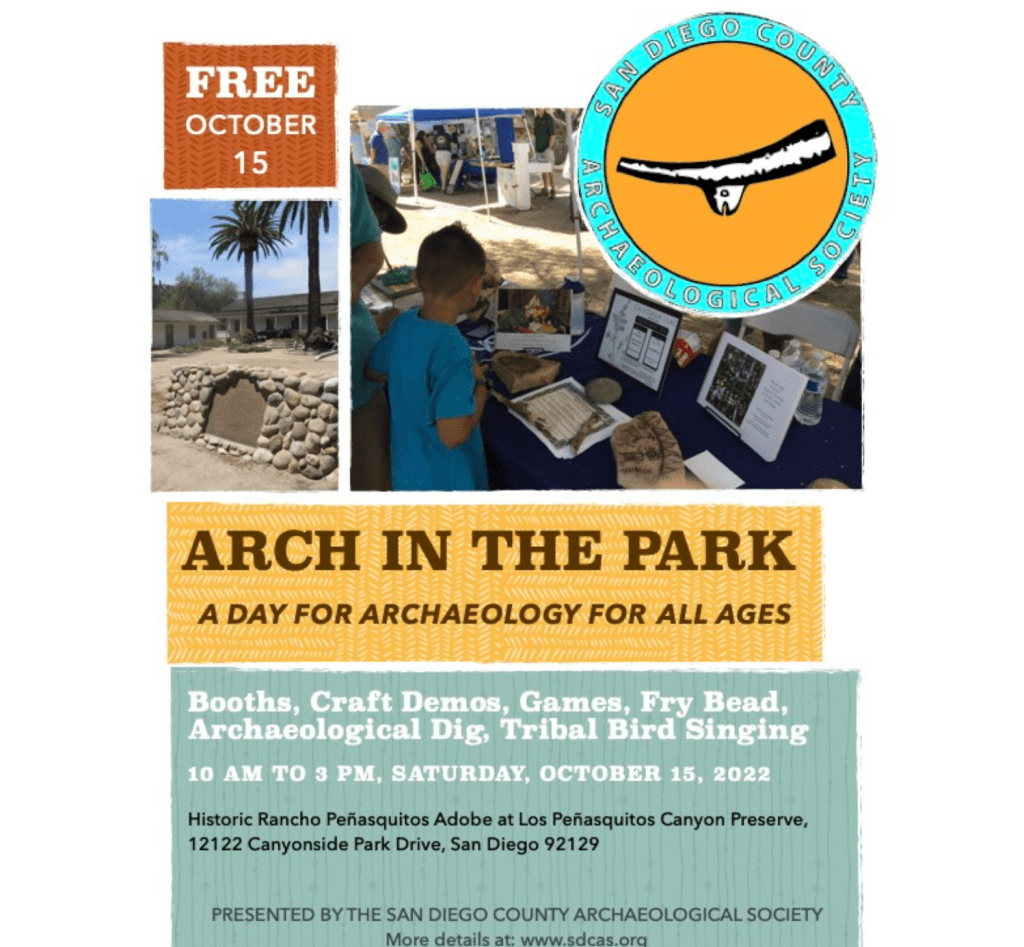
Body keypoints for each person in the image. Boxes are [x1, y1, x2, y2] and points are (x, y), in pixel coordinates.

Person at [366, 223, 489, 491]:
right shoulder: (454, 350)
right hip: (448, 485)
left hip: (407, 476)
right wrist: (480, 388)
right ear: (475, 285)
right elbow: (453, 435)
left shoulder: (402, 324)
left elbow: (373, 371)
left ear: (416, 279)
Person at [350, 159, 390, 490]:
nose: (381, 226)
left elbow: (370, 250)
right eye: (381, 218)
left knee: (370, 479)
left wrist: (353, 279)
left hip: (361, 391)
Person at [533, 108, 557, 199]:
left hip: (547, 149)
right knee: (543, 170)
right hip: (538, 149)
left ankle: (553, 190)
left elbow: (552, 134)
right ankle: (545, 189)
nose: (538, 109)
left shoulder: (548, 118)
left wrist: (549, 148)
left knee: (550, 169)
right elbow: (535, 134)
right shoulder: (536, 119)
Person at [433, 124, 453, 190]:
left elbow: (434, 147)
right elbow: (452, 145)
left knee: (442, 170)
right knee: (445, 171)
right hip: (446, 152)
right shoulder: (448, 135)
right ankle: (444, 186)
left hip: (438, 153)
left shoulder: (435, 136)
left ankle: (443, 185)